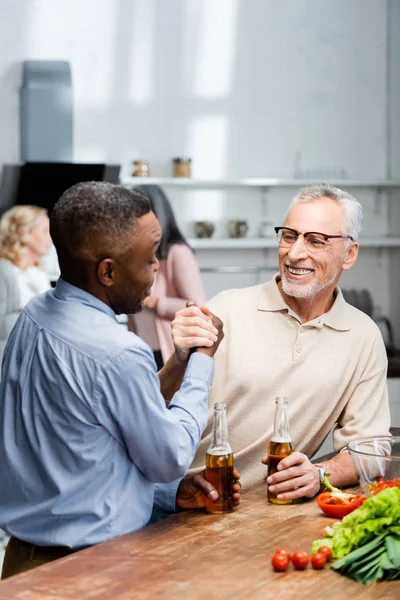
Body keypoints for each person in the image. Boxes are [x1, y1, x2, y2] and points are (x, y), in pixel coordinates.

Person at [0, 182, 240, 579]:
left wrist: (178, 360)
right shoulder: (117, 351)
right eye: (150, 258)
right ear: (108, 271)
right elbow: (171, 456)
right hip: (89, 571)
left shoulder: (34, 314)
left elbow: (92, 441)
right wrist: (201, 360)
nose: (158, 268)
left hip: (23, 562)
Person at [174, 183, 390, 499]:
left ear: (349, 254)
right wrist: (179, 357)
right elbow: (157, 415)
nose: (294, 252)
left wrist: (319, 474)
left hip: (265, 513)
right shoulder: (225, 310)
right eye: (289, 236)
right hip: (184, 502)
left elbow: (371, 449)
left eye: (316, 240)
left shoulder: (363, 336)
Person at [128, 185, 206, 369]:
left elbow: (198, 306)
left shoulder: (177, 252)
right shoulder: (138, 252)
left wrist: (154, 303)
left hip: (168, 353)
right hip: (140, 350)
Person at [0, 205, 52, 367]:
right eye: (45, 231)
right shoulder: (5, 271)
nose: (51, 238)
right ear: (25, 234)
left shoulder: (38, 272)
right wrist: (34, 315)